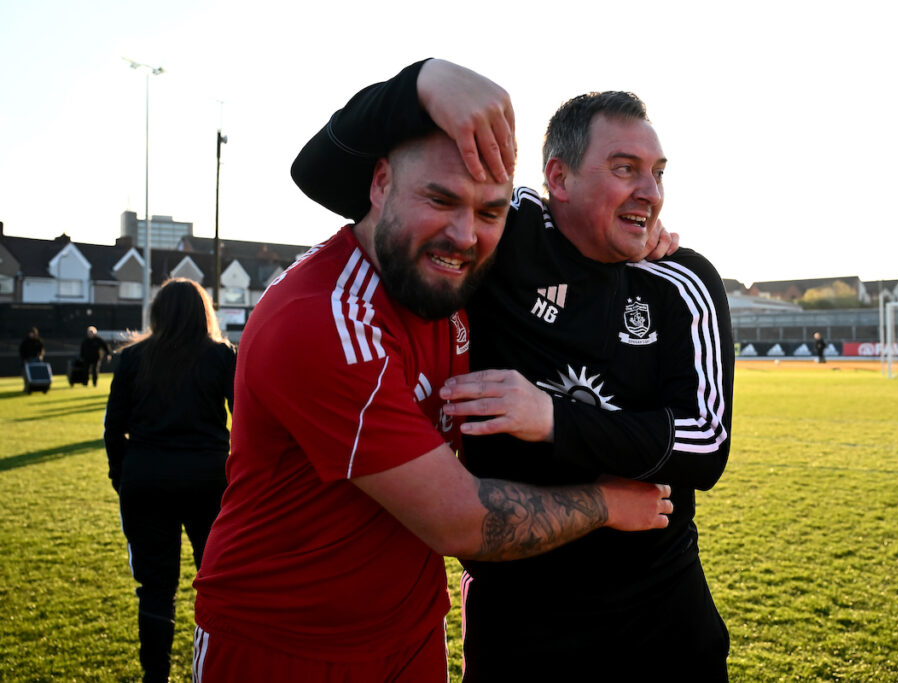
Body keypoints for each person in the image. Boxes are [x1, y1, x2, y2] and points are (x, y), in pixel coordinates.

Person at [192, 61, 673, 683]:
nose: (464, 235)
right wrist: (606, 503)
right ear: (379, 182)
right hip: (285, 645)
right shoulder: (322, 320)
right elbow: (459, 520)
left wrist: (635, 237)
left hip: (413, 631)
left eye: (490, 212)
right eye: (440, 199)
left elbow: (575, 236)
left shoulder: (454, 276)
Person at [104, 278, 236, 683]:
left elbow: (114, 429)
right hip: (208, 481)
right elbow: (247, 421)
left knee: (155, 587)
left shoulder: (133, 359)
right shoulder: (221, 357)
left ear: (157, 313)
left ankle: (155, 676)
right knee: (215, 582)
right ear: (204, 313)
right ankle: (218, 668)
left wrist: (122, 475)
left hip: (146, 479)